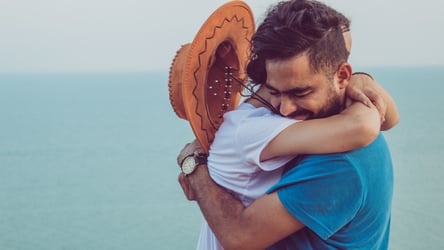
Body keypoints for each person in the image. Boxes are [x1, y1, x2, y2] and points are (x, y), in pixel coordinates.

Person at [178, 0, 398, 249]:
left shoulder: (339, 163)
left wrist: (196, 168)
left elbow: (240, 237)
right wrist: (362, 81)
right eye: (275, 91)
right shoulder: (302, 130)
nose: (285, 109)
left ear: (342, 76)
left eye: (300, 92)